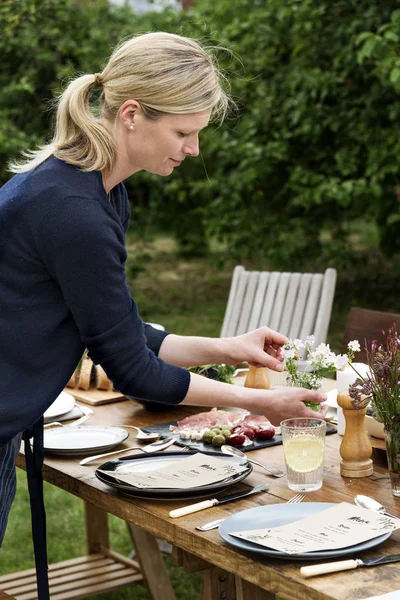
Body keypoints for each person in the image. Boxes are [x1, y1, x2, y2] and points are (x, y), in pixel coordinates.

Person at [0, 31, 326, 581]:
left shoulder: (97, 191)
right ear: (131, 114)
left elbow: (119, 333)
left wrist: (227, 346)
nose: (193, 149)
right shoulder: (72, 211)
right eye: (183, 132)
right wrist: (259, 404)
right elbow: (134, 372)